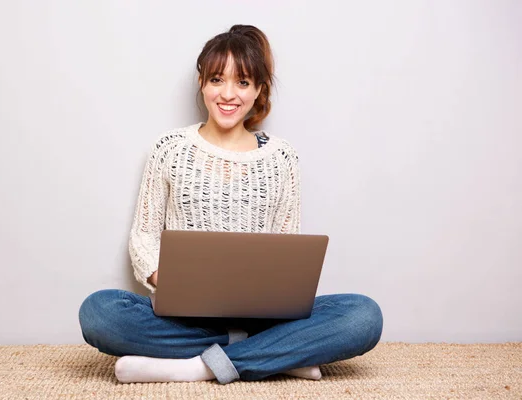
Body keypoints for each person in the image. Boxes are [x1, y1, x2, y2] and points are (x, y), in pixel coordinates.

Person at [78, 24, 383, 385]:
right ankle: (271, 354)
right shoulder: (170, 148)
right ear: (202, 83)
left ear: (258, 90)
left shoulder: (282, 157)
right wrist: (176, 284)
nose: (228, 94)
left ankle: (196, 367)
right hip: (182, 316)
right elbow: (144, 237)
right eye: (217, 80)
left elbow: (286, 247)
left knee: (364, 316)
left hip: (265, 318)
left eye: (242, 82)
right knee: (99, 312)